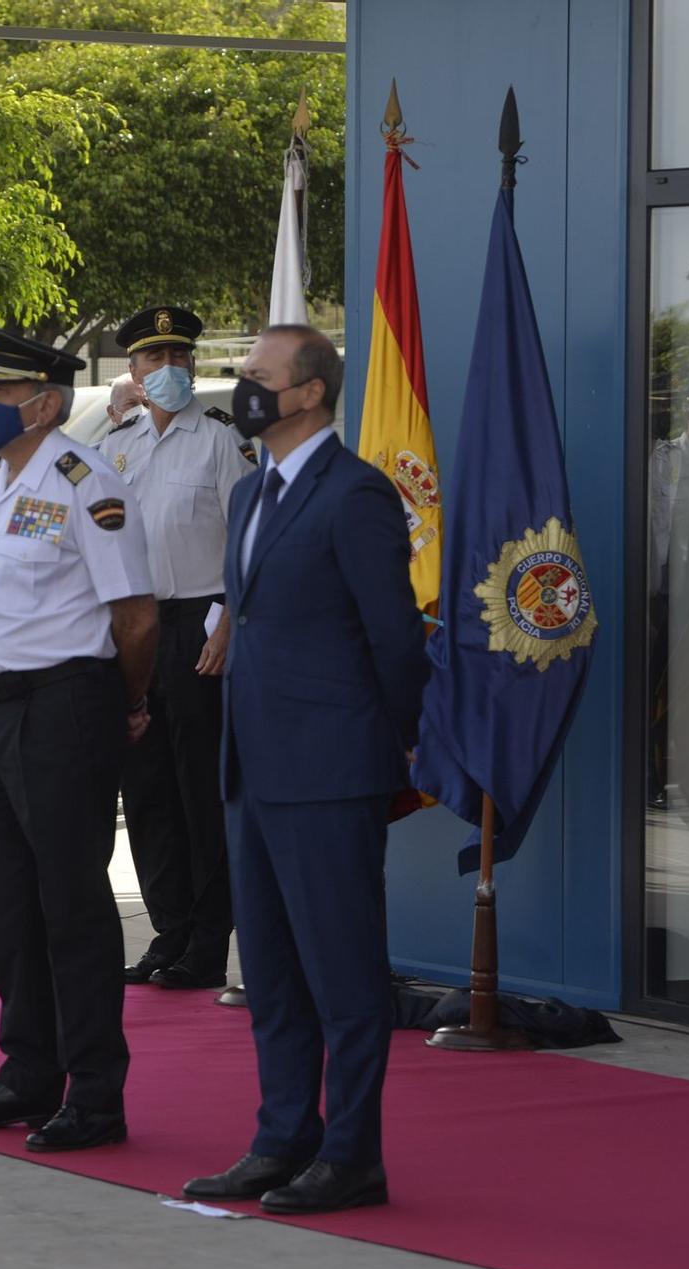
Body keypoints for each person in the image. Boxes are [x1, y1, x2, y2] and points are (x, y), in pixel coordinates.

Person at [181, 325, 427, 1216]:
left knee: (343, 973)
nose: (243, 389)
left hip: (329, 768)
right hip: (253, 765)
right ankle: (282, 1137)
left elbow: (395, 636)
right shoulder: (250, 493)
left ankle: (352, 1153)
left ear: (310, 392)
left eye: (258, 376)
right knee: (274, 973)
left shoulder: (355, 492)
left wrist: (401, 737)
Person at [0, 326, 157, 1153]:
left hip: (64, 705)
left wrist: (123, 703)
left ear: (46, 403)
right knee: (14, 909)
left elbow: (133, 616)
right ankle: (28, 1070)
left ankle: (95, 1090)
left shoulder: (83, 479)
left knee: (72, 904)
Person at [111, 305, 259, 989]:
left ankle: (207, 940)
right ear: (133, 372)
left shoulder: (220, 440)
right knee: (146, 791)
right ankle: (168, 930)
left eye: (178, 355)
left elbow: (246, 542)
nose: (168, 368)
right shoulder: (117, 446)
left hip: (201, 623)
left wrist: (230, 617)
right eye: (153, 358)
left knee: (199, 789)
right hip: (135, 626)